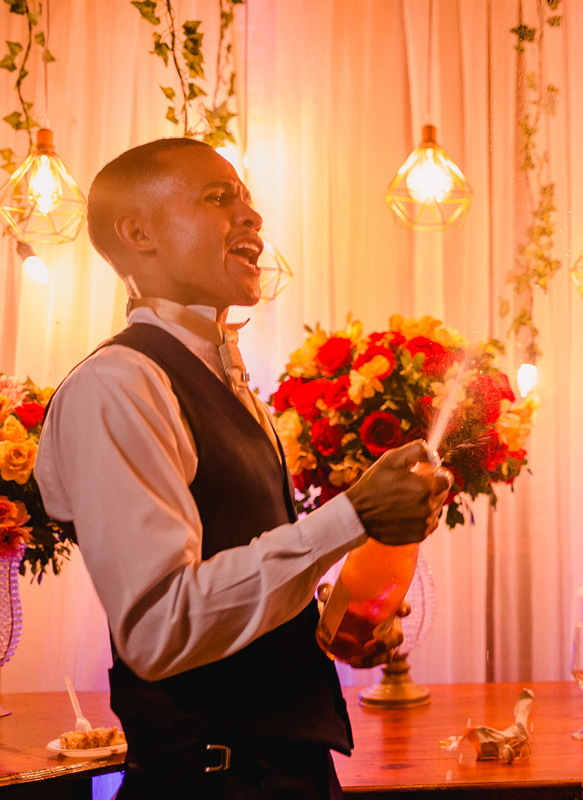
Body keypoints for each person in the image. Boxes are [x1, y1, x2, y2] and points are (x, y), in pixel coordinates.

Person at [34, 137, 452, 799]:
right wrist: (351, 516)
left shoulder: (229, 386)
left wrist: (323, 621)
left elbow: (229, 571)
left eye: (248, 200)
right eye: (217, 197)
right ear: (138, 233)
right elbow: (159, 629)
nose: (252, 216)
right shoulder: (116, 387)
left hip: (289, 776)